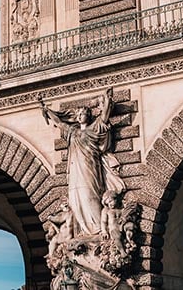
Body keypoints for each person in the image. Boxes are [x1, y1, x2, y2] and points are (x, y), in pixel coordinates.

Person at [40, 88, 126, 235]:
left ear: (89, 115)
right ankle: (81, 231)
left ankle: (99, 230)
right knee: (75, 199)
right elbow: (59, 123)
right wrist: (47, 111)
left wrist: (107, 100)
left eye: (83, 113)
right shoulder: (72, 132)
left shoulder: (94, 128)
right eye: (78, 114)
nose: (80, 116)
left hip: (90, 168)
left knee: (89, 195)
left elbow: (104, 117)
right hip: (74, 170)